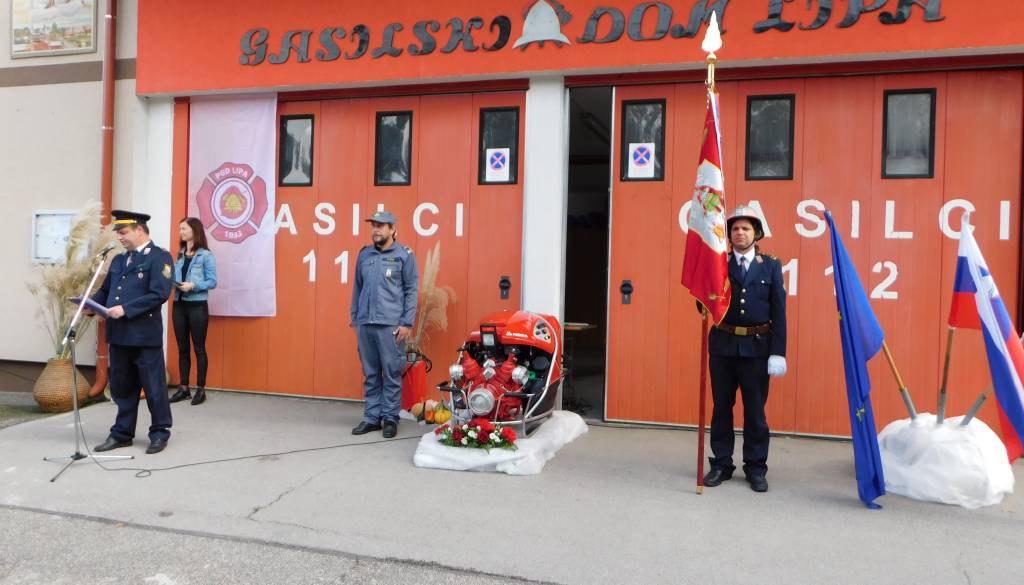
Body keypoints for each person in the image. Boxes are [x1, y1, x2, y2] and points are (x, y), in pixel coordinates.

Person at [703, 205, 788, 492]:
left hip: (757, 348)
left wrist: (778, 351)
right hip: (723, 346)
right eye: (735, 229)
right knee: (721, 408)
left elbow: (779, 311)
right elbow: (705, 302)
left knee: (755, 411)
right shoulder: (718, 263)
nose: (740, 233)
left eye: (746, 228)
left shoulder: (771, 265)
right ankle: (721, 464)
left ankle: (756, 467)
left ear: (756, 233)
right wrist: (702, 297)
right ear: (728, 235)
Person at [90, 210, 175, 454]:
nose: (119, 237)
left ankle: (159, 433)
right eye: (117, 232)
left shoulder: (159, 257)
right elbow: (105, 290)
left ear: (140, 230)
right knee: (122, 388)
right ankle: (122, 433)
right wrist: (89, 304)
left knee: (154, 388)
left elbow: (159, 293)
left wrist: (126, 309)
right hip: (119, 335)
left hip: (144, 336)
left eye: (123, 232)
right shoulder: (118, 260)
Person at [349, 210, 418, 439]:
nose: (375, 230)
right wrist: (355, 318)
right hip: (366, 323)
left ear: (392, 229)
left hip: (391, 326)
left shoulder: (404, 255)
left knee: (391, 373)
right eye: (374, 226)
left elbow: (411, 290)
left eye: (380, 226)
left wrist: (407, 323)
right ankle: (371, 418)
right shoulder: (364, 255)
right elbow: (357, 288)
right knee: (370, 374)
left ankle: (390, 418)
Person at [168, 217, 217, 406]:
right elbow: (175, 276)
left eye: (184, 228)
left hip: (197, 306)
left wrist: (193, 286)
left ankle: (201, 389)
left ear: (194, 231)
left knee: (199, 348)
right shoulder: (180, 254)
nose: (180, 232)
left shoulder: (206, 255)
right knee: (182, 349)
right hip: (179, 305)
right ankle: (184, 388)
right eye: (180, 228)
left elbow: (212, 281)